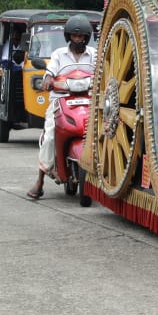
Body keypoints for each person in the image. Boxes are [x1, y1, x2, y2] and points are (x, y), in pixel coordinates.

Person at [27, 14, 96, 199]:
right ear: (68, 37)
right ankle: (40, 180)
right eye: (74, 36)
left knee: (107, 130)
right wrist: (48, 80)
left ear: (86, 37)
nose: (78, 40)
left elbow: (102, 72)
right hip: (61, 100)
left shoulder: (94, 54)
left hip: (89, 100)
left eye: (81, 36)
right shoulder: (58, 54)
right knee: (50, 134)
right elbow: (49, 73)